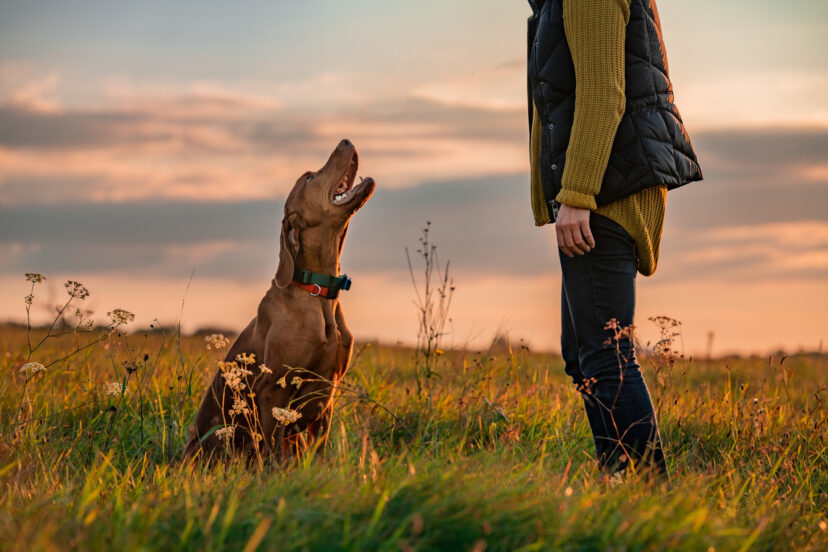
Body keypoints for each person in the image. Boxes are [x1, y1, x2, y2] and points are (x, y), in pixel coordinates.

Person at [527, 0, 702, 477]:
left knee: (606, 356)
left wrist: (578, 193)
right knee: (585, 357)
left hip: (605, 194)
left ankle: (652, 499)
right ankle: (619, 485)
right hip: (602, 190)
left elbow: (604, 93)